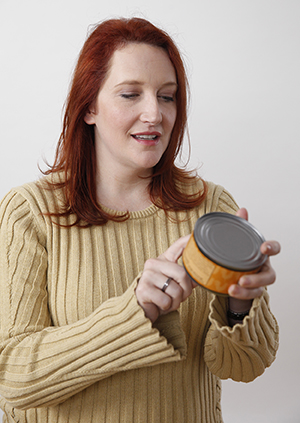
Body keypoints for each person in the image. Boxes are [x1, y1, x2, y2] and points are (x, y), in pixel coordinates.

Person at [0, 17, 280, 423]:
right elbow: (11, 375)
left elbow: (245, 367)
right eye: (131, 94)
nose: (154, 113)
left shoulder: (211, 206)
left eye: (167, 97)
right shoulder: (30, 213)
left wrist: (240, 302)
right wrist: (136, 313)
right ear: (90, 106)